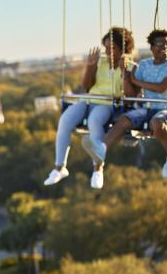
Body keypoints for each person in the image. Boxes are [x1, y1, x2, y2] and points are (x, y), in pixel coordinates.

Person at [82, 29, 167, 179]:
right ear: (151, 47)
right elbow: (131, 95)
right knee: (124, 119)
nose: (165, 47)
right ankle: (102, 148)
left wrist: (137, 81)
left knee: (157, 124)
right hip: (147, 107)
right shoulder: (144, 65)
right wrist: (125, 75)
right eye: (160, 44)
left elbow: (163, 87)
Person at [44, 27, 136, 189]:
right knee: (65, 121)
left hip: (108, 104)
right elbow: (86, 86)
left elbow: (130, 95)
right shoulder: (101, 62)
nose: (108, 52)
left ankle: (98, 168)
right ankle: (60, 167)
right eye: (106, 48)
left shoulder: (131, 66)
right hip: (89, 99)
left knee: (94, 121)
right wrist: (90, 66)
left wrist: (124, 73)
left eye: (113, 48)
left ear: (124, 48)